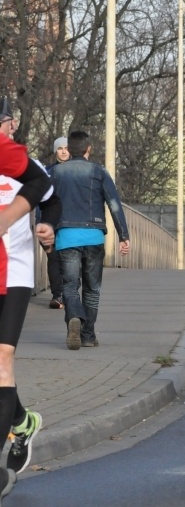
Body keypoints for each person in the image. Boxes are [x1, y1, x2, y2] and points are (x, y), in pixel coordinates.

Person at [0, 112, 59, 500]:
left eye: (7, 122)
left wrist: (47, 226)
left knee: (2, 356)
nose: (7, 127)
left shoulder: (18, 160)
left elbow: (49, 196)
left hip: (14, 269)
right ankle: (22, 422)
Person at [50, 130, 131, 350]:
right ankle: (88, 336)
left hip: (66, 236)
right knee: (92, 289)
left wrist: (46, 232)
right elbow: (114, 203)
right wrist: (123, 235)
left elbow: (44, 204)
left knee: (69, 286)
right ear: (88, 149)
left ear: (70, 149)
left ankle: (74, 316)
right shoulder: (99, 172)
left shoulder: (55, 172)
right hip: (94, 237)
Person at [44, 137, 70, 309]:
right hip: (51, 221)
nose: (63, 151)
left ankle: (68, 295)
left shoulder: (75, 172)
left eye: (66, 148)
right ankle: (57, 296)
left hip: (70, 222)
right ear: (55, 151)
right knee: (53, 257)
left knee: (68, 259)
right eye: (59, 148)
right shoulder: (47, 173)